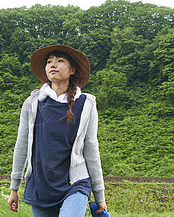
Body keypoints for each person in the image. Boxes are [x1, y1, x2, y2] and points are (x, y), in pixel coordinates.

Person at [8, 45, 107, 216]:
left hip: (74, 183)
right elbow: (22, 145)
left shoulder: (86, 105)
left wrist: (99, 194)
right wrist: (14, 187)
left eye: (60, 61)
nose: (52, 65)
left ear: (72, 70)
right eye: (49, 61)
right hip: (41, 186)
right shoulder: (33, 103)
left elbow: (91, 149)